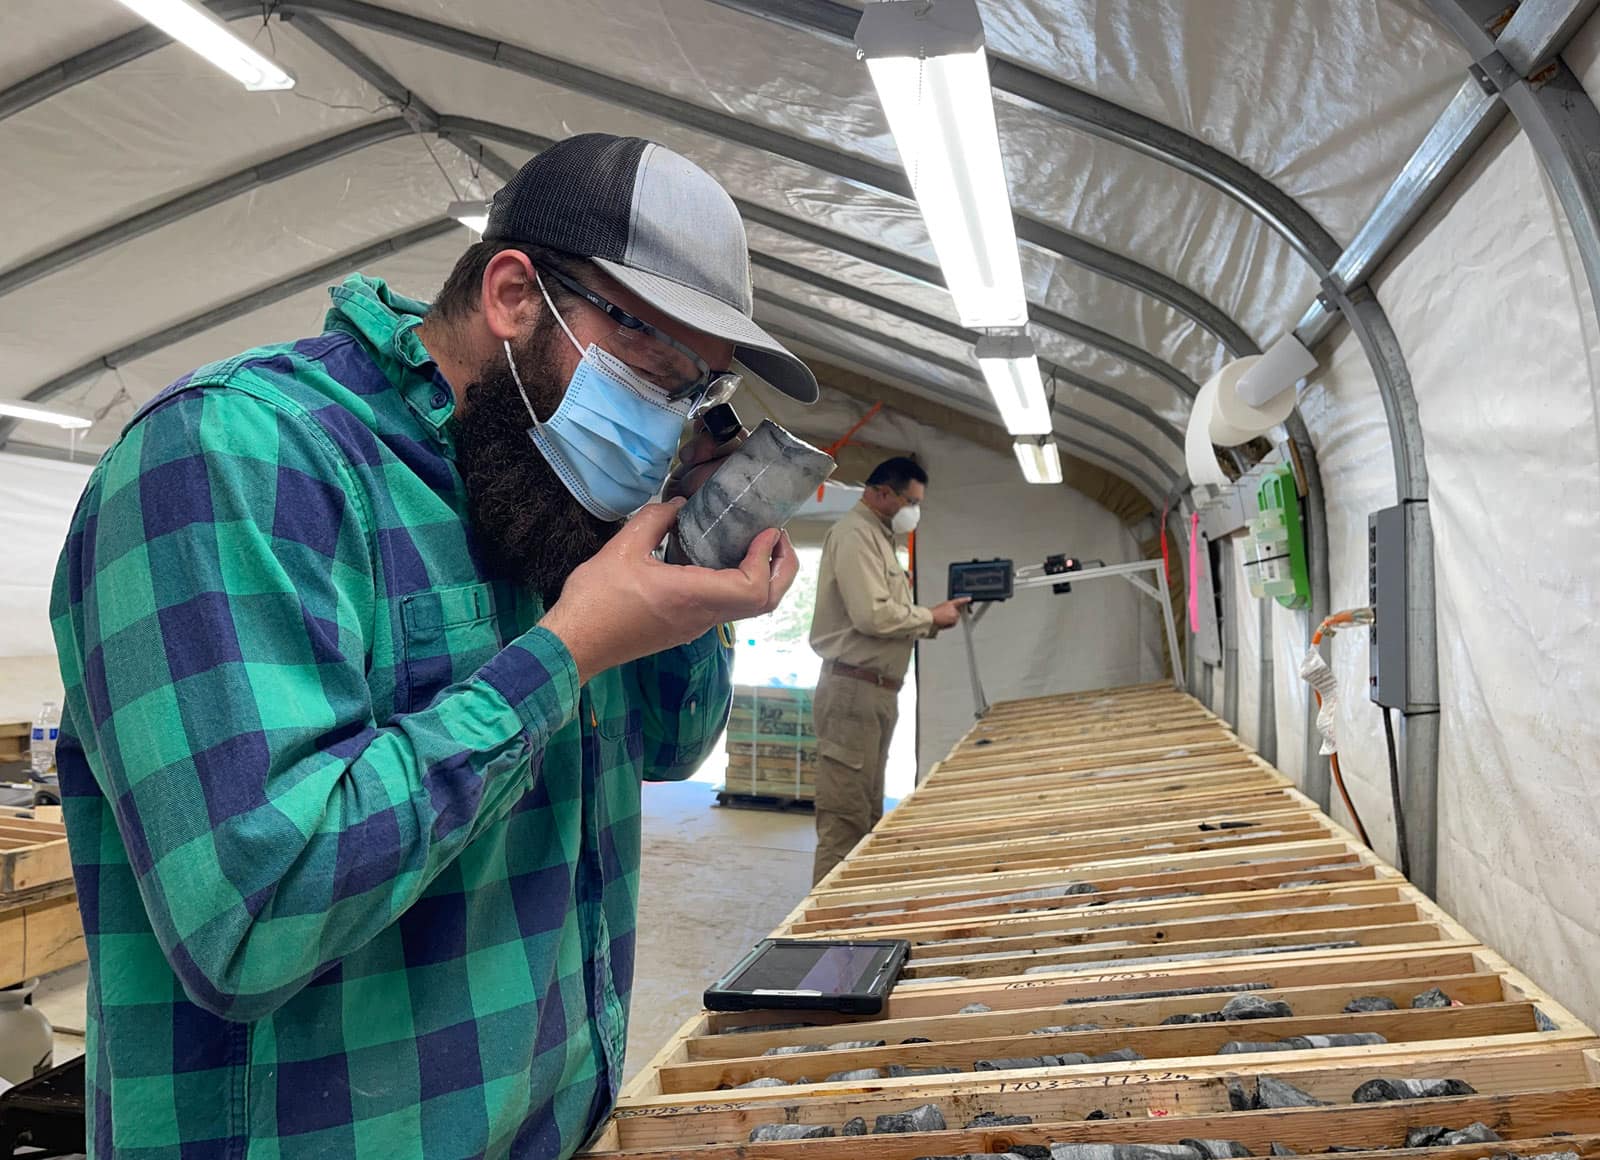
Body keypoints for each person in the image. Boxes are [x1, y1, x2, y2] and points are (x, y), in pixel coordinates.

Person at [49, 134, 815, 1160]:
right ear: (514, 296)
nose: (664, 424)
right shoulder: (238, 453)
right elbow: (251, 919)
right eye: (651, 371)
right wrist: (565, 649)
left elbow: (674, 746)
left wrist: (691, 553)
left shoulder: (547, 484)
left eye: (696, 394)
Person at [807, 457, 969, 882]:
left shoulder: (878, 537)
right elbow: (872, 616)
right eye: (910, 502)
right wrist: (929, 616)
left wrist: (933, 619)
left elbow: (883, 612)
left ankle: (850, 913)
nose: (913, 511)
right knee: (844, 821)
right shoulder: (855, 534)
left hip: (873, 692)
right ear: (881, 492)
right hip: (852, 691)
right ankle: (824, 921)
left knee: (865, 814)